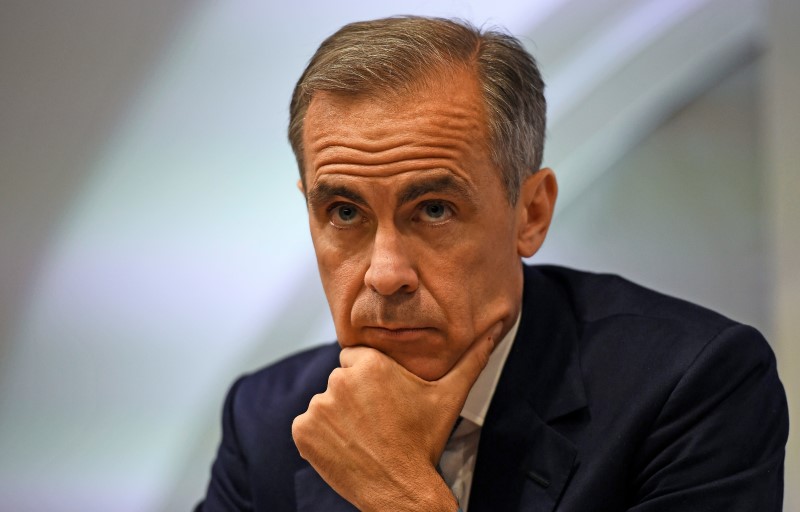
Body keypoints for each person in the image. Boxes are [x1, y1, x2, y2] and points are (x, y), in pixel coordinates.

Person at [195, 16, 788, 512]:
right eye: (345, 213)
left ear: (531, 213)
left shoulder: (689, 388)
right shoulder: (266, 418)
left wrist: (402, 497)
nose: (384, 275)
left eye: (433, 209)